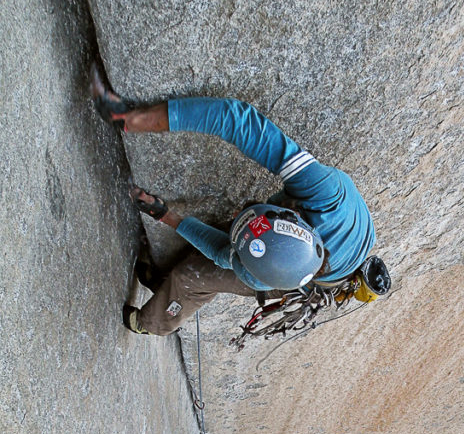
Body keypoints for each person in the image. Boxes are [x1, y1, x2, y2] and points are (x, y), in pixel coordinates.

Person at [90, 64, 389, 335]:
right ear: (290, 216)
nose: (238, 213)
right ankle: (161, 283)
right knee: (213, 240)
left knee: (193, 276)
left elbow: (223, 252)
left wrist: (167, 216)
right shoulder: (326, 192)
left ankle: (149, 323)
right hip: (327, 242)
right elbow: (238, 122)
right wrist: (133, 119)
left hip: (297, 271)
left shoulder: (265, 276)